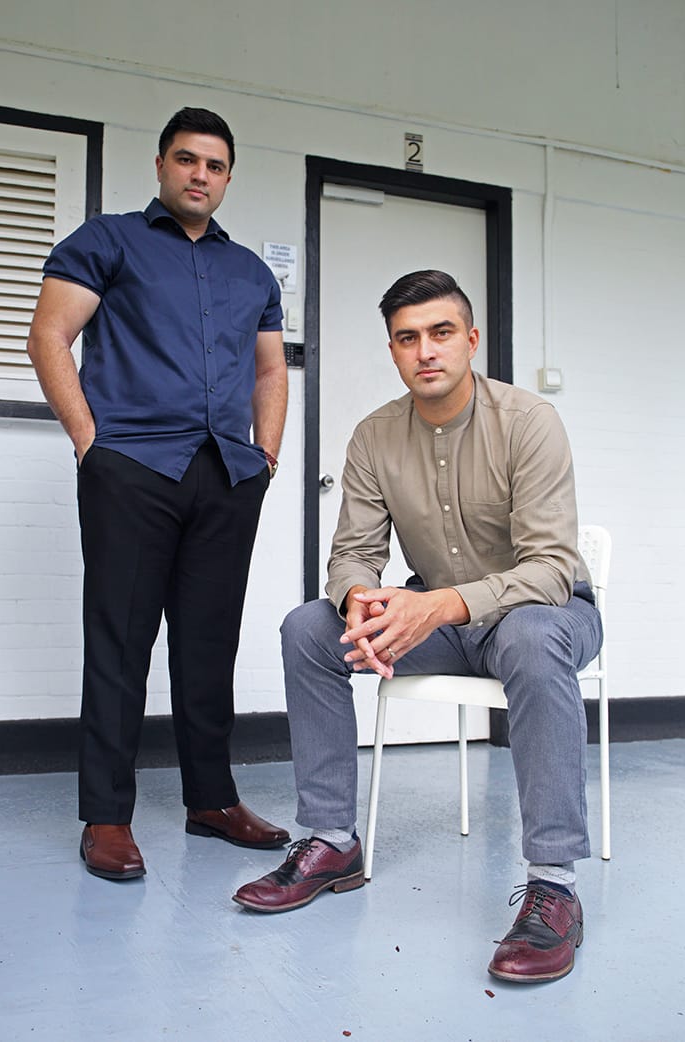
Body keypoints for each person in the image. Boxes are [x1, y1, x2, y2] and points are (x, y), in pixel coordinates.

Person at [233, 269, 603, 984]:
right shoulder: (375, 436)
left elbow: (551, 568)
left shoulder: (528, 422)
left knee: (528, 635)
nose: (425, 351)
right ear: (394, 351)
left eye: (440, 334)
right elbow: (352, 556)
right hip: (437, 616)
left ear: (470, 340)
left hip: (547, 616)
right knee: (307, 628)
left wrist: (437, 604)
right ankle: (334, 841)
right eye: (407, 339)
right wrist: (360, 604)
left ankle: (554, 884)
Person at [27, 107, 290, 881]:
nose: (199, 174)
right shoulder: (106, 241)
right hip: (133, 468)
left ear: (228, 177)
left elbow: (271, 369)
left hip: (226, 474)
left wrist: (265, 455)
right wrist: (89, 443)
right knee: (120, 641)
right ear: (161, 166)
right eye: (186, 159)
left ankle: (211, 799)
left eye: (214, 164)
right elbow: (49, 335)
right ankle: (106, 817)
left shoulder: (252, 273)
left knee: (210, 643)